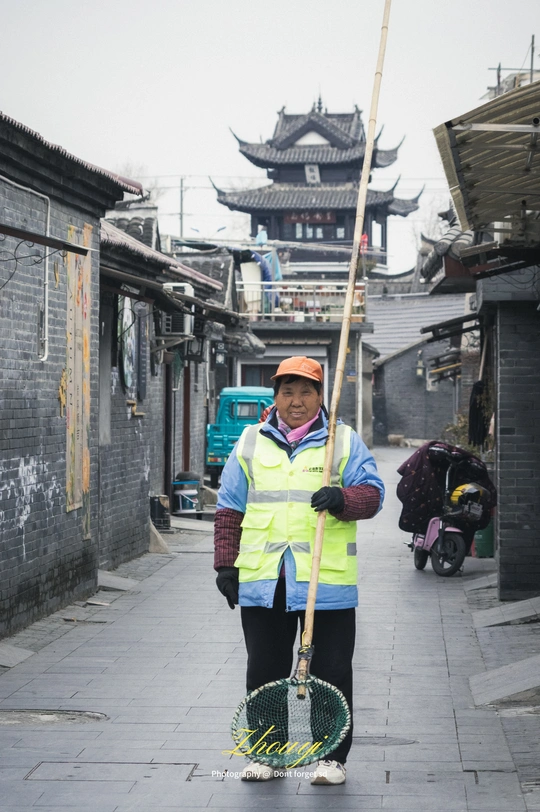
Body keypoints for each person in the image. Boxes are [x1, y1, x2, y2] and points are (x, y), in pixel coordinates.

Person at [214, 356, 384, 785]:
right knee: (264, 672)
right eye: (287, 392)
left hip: (326, 581)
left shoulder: (342, 442)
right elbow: (229, 509)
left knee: (332, 672)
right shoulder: (250, 442)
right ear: (275, 397)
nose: (296, 401)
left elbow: (373, 494)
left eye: (306, 392)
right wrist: (226, 566)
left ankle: (330, 758)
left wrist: (343, 499)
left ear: (320, 397)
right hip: (265, 581)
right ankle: (267, 754)